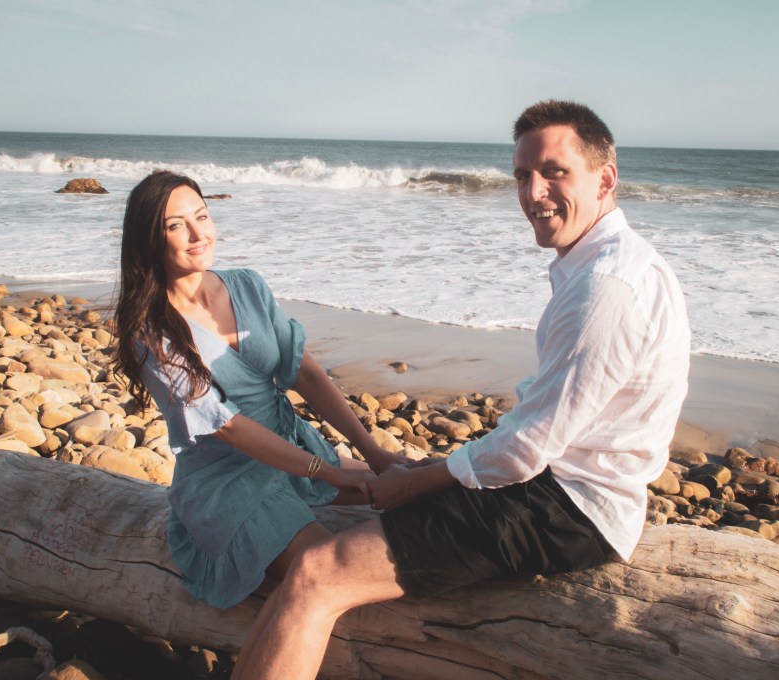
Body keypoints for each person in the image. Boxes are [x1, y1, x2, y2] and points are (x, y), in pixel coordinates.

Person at [229, 99, 691, 679]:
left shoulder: (606, 288)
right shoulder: (611, 264)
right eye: (524, 175)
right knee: (386, 494)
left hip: (571, 508)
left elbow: (524, 450)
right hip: (561, 483)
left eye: (555, 172)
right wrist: (432, 474)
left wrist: (420, 480)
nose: (534, 192)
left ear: (606, 178)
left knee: (320, 572)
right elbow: (535, 439)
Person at [111, 170, 402, 609]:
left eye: (202, 216)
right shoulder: (150, 332)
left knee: (414, 487)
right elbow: (228, 428)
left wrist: (372, 452)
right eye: (176, 225)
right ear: (150, 240)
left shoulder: (247, 284)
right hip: (228, 479)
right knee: (332, 568)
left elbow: (304, 372)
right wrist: (329, 473)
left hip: (292, 448)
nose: (197, 234)